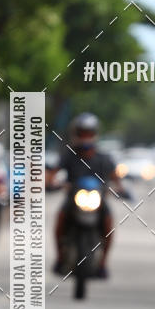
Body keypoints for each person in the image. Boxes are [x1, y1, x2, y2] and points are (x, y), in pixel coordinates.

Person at [47, 113, 121, 277]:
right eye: (82, 133)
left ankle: (102, 263)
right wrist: (50, 182)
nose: (85, 137)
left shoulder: (104, 158)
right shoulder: (68, 156)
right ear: (76, 134)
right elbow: (53, 174)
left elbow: (116, 178)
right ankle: (60, 259)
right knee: (60, 219)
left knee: (109, 224)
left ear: (95, 134)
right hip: (73, 200)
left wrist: (121, 188)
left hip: (98, 201)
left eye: (89, 133)